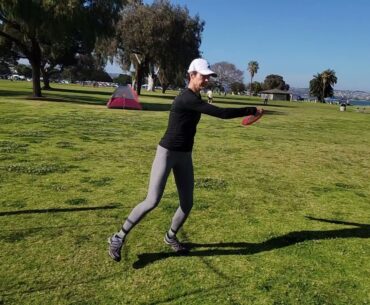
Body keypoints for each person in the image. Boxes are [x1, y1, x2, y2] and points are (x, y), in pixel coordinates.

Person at [108, 58, 263, 262]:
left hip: (185, 155)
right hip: (167, 152)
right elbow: (222, 113)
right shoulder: (186, 98)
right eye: (203, 76)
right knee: (152, 200)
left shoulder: (196, 98)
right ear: (192, 75)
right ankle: (118, 237)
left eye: (208, 77)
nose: (206, 80)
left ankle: (170, 236)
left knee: (187, 203)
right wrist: (251, 109)